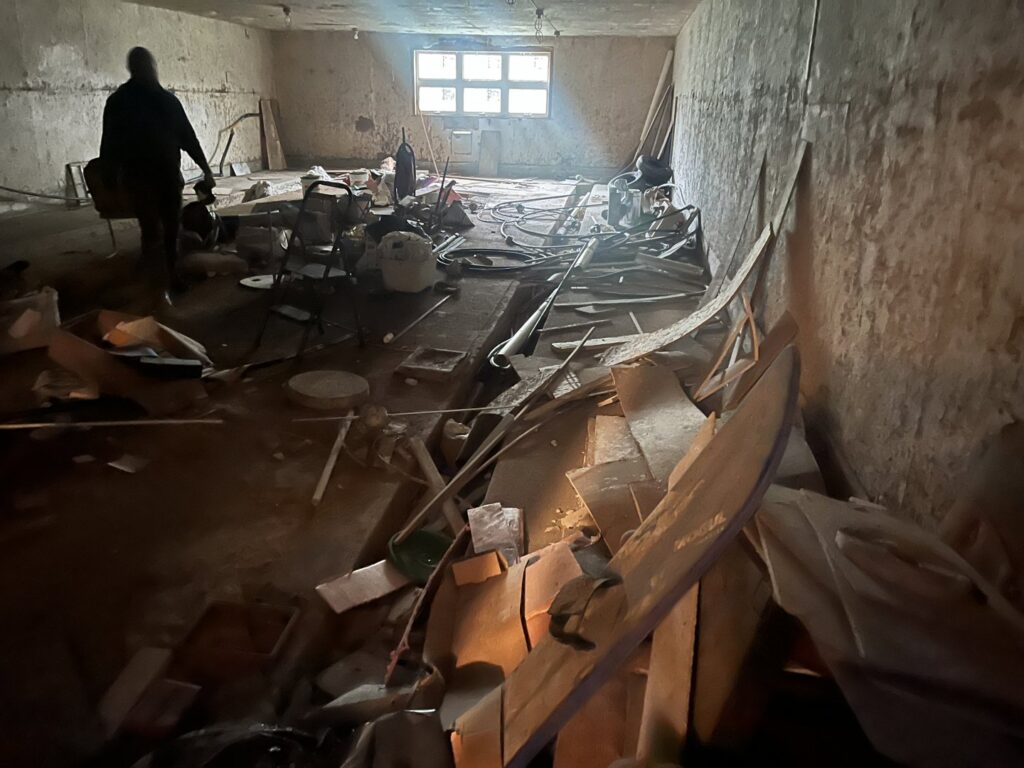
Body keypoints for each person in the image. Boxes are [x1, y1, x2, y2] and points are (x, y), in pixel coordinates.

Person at [100, 47, 215, 301]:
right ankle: (161, 279)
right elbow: (110, 144)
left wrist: (206, 169)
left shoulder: (126, 101)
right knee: (158, 229)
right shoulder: (149, 101)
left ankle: (164, 277)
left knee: (163, 228)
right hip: (148, 177)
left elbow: (187, 138)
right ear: (148, 68)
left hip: (154, 177)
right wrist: (206, 169)